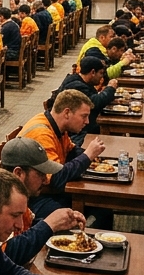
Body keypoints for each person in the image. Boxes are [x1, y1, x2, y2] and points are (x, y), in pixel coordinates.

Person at [0, 138, 86, 266]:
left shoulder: (16, 196)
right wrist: (49, 224)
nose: (46, 181)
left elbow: (27, 229)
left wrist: (60, 223)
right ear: (18, 173)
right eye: (41, 174)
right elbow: (5, 256)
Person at [19, 89, 105, 219]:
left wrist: (92, 157)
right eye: (83, 116)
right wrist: (87, 155)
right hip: (31, 197)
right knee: (73, 215)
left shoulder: (58, 127)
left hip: (47, 191)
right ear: (67, 113)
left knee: (99, 202)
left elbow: (71, 151)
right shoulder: (42, 133)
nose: (87, 121)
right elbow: (56, 180)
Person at [51, 56, 117, 144]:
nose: (102, 77)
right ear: (93, 72)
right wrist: (110, 88)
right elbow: (95, 103)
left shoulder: (83, 82)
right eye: (101, 73)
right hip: (76, 133)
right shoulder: (76, 85)